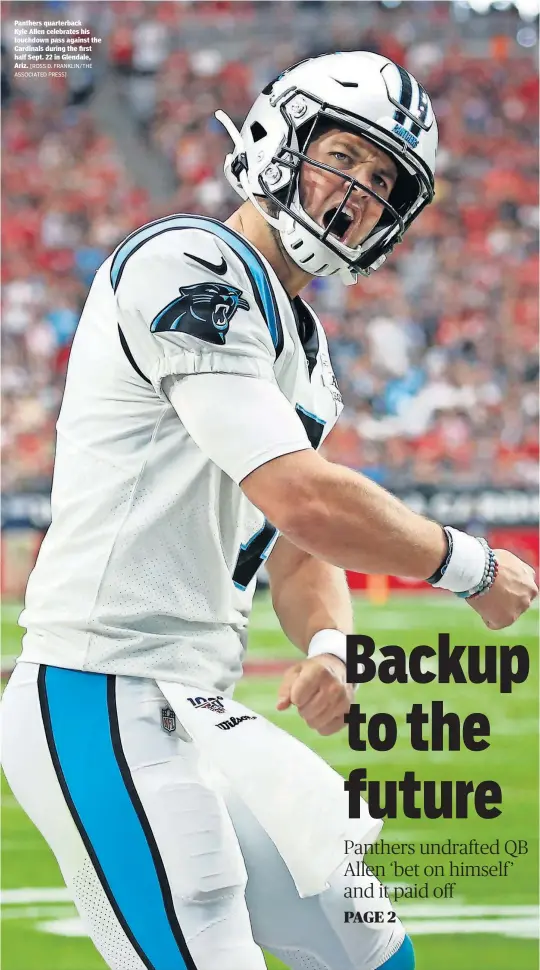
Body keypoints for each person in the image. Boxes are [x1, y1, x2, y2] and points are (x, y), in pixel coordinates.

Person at [2, 50, 536, 970]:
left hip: (196, 704)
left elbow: (295, 547)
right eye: (347, 158)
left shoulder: (304, 340)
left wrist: (330, 645)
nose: (358, 195)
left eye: (383, 184)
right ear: (280, 134)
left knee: (371, 945)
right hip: (103, 690)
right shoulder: (187, 262)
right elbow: (302, 493)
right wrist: (467, 565)